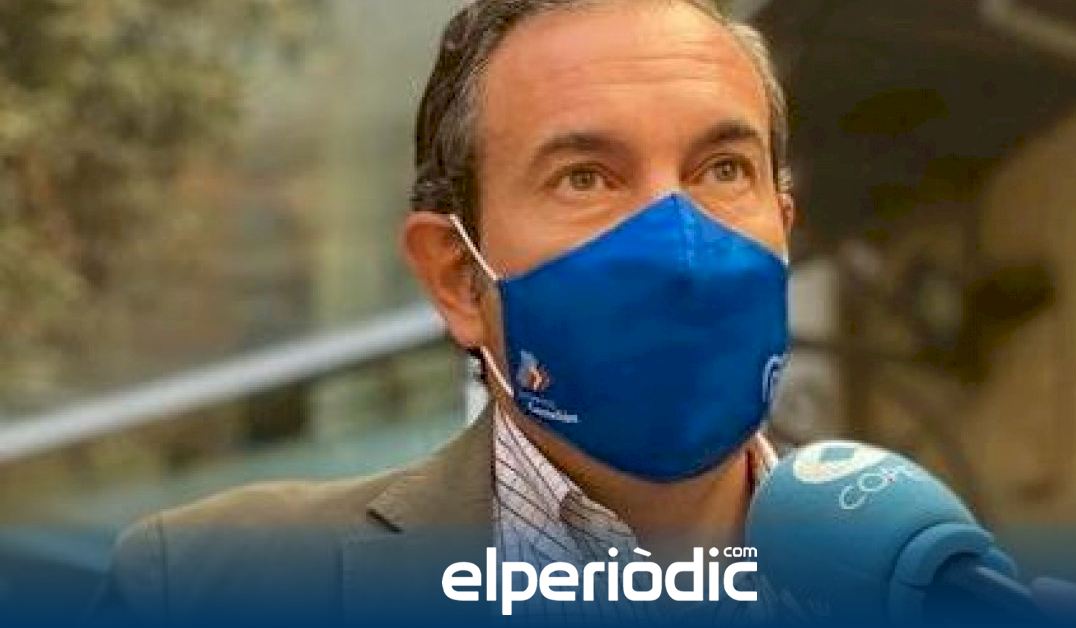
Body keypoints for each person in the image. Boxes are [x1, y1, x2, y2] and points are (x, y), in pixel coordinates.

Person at [90, 1, 797, 625]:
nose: (678, 252)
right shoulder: (201, 587)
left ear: (785, 227)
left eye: (724, 168)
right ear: (458, 277)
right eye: (584, 178)